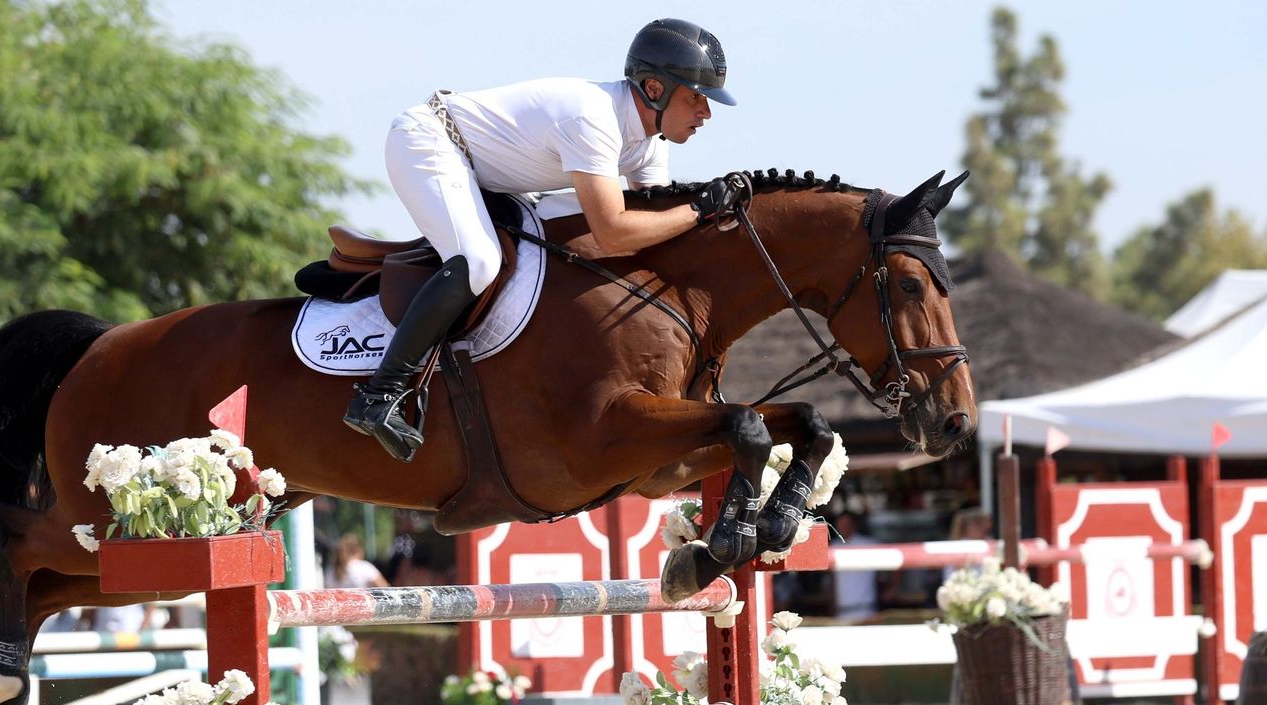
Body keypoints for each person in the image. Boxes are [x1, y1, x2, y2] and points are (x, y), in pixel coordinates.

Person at [344, 18, 742, 461]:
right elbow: (613, 231)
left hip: (490, 172)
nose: (706, 113)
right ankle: (379, 394)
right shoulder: (594, 118)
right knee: (479, 261)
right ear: (654, 89)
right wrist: (698, 211)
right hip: (431, 140)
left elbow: (655, 230)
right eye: (696, 97)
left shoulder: (649, 144)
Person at [831, 512, 881, 622]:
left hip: (866, 610)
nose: (843, 527)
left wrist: (893, 588)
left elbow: (898, 557)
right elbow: (833, 578)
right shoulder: (834, 546)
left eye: (846, 524)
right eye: (840, 524)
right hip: (841, 611)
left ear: (854, 525)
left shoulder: (868, 544)